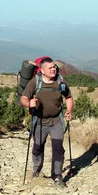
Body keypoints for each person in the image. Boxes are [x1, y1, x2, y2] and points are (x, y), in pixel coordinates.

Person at [20, 57, 74, 187]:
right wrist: (29, 104)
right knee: (38, 147)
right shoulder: (35, 82)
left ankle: (57, 176)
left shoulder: (60, 81)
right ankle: (36, 171)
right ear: (42, 71)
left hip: (56, 121)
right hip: (39, 121)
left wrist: (69, 111)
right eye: (50, 68)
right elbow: (23, 98)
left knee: (58, 149)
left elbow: (69, 97)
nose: (53, 69)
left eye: (54, 67)